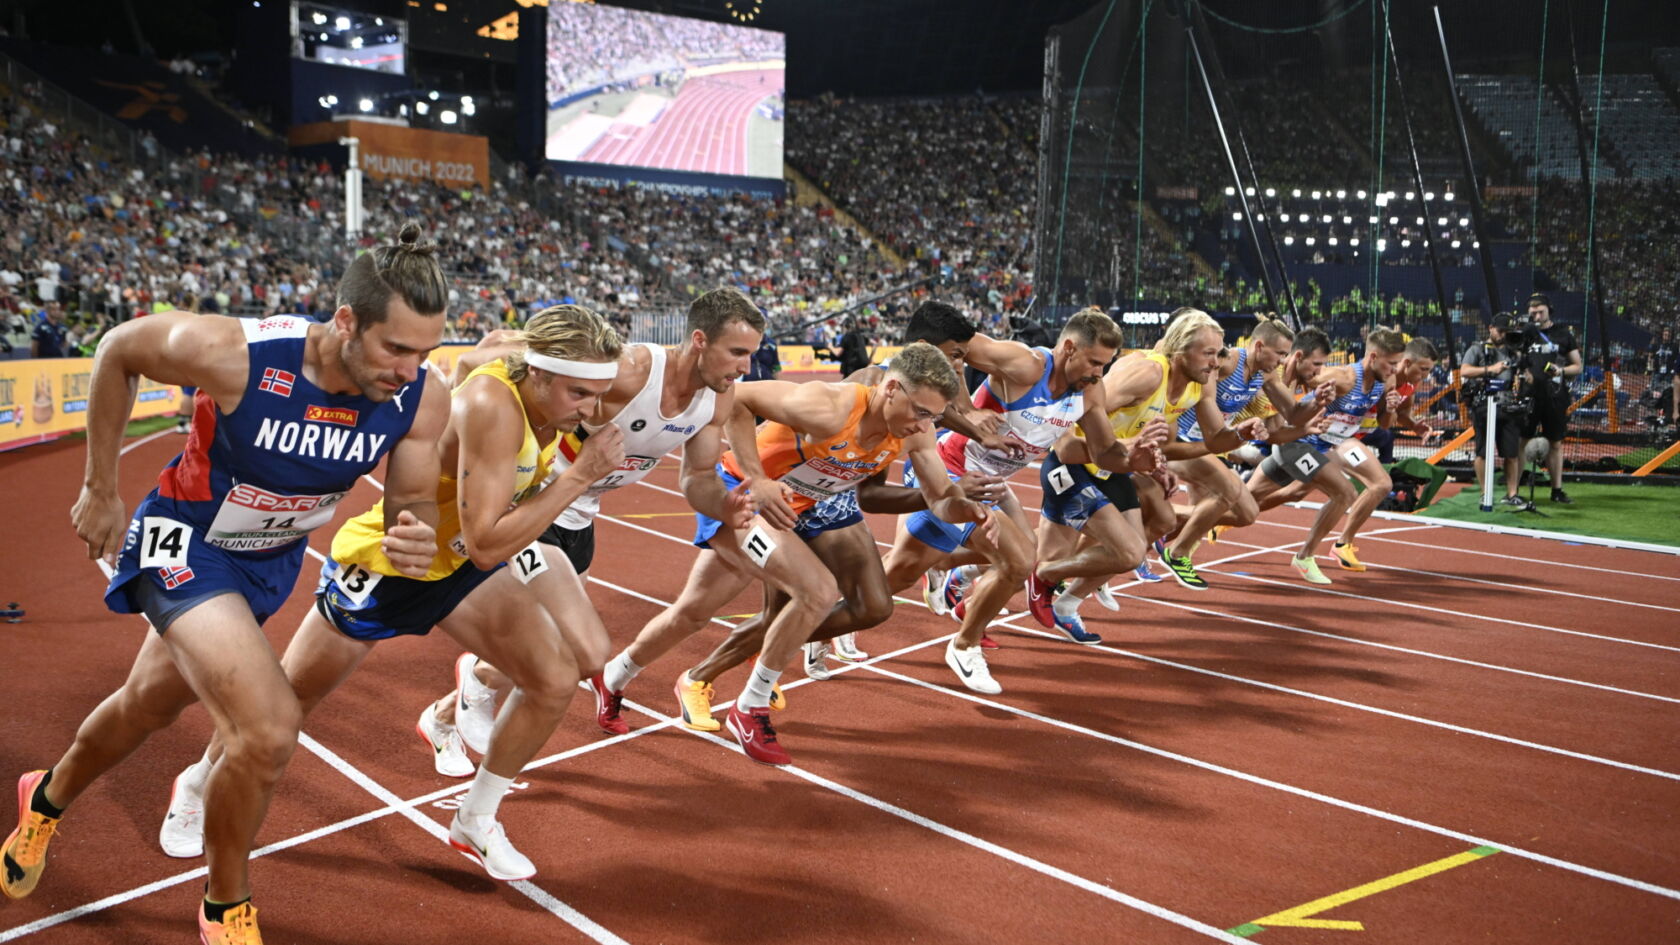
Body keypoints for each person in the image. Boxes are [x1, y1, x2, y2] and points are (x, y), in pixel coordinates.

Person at [3, 225, 452, 945]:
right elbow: (119, 348)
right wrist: (100, 487)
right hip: (186, 540)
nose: (408, 368)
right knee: (268, 727)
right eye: (394, 347)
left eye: (424, 352)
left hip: (269, 560)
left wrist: (414, 529)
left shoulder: (421, 399)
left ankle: (45, 797)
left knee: (145, 704)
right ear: (345, 322)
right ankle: (225, 903)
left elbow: (412, 502)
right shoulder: (241, 354)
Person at [153, 305, 688, 888]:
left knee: (561, 674)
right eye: (581, 394)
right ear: (538, 375)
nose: (593, 410)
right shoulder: (494, 409)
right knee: (290, 701)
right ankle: (199, 782)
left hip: (459, 566)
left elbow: (482, 356)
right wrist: (580, 476)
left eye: (599, 394)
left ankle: (474, 817)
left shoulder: (546, 388)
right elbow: (487, 543)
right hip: (398, 563)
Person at [601, 342, 986, 765]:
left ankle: (612, 676)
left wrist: (964, 505)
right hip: (739, 497)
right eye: (921, 411)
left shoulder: (917, 433)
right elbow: (738, 400)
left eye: (933, 416)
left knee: (692, 612)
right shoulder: (829, 407)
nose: (924, 425)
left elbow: (939, 501)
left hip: (794, 509)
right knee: (817, 591)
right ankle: (750, 706)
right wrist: (757, 478)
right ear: (891, 388)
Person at [414, 287, 765, 742]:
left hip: (582, 513)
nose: (746, 367)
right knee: (558, 637)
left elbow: (696, 476)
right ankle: (478, 688)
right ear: (700, 340)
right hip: (536, 499)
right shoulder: (631, 370)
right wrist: (461, 405)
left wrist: (724, 503)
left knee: (571, 649)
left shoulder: (716, 400)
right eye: (737, 352)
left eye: (751, 354)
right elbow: (500, 357)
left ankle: (444, 714)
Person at [880, 307, 1122, 654]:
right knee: (1013, 560)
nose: (1100, 374)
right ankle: (963, 643)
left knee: (1016, 559)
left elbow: (1104, 452)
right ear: (1069, 348)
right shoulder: (1025, 365)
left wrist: (1136, 458)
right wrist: (967, 410)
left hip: (991, 484)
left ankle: (956, 602)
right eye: (1095, 362)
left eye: (1105, 365)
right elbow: (950, 348)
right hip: (951, 470)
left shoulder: (1088, 393)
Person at [1025, 309, 1245, 638]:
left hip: (1113, 465)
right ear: (1181, 350)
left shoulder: (1194, 386)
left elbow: (1206, 441)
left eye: (1219, 352)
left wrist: (1246, 433)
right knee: (1049, 556)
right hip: (1075, 463)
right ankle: (1007, 576)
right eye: (1209, 353)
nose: (1217, 363)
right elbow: (1079, 412)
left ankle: (1065, 602)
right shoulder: (1148, 373)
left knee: (1147, 535)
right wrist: (1128, 447)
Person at [1157, 313, 1323, 587]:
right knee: (1228, 491)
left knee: (1246, 513)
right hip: (1184, 440)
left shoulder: (1266, 374)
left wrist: (1317, 403)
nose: (1283, 361)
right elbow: (1204, 397)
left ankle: (1157, 520)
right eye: (1280, 353)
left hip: (1212, 444)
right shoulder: (1225, 362)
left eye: (1286, 354)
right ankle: (1177, 554)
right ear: (1259, 346)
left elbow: (1292, 413)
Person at [1517, 294, 1582, 503]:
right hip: (1528, 394)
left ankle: (1557, 491)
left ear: (1549, 310)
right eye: (1533, 312)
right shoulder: (1526, 334)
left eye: (1540, 311)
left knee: (1555, 443)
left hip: (1555, 396)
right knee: (1521, 441)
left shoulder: (1563, 334)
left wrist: (1560, 370)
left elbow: (1577, 366)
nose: (1537, 315)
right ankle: (1513, 492)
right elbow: (1513, 357)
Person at [1460, 315, 1525, 507]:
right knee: (1482, 452)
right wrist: (1490, 369)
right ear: (1490, 328)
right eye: (1500, 331)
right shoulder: (1477, 349)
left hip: (1507, 404)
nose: (1503, 335)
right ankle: (1484, 493)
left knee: (1511, 453)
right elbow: (1464, 371)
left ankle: (1512, 494)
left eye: (1507, 332)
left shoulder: (1513, 351)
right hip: (1483, 405)